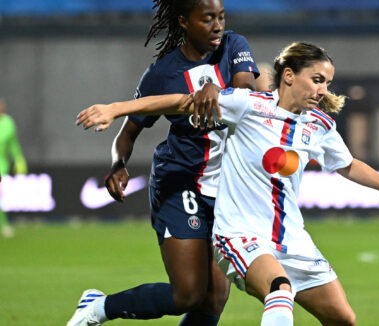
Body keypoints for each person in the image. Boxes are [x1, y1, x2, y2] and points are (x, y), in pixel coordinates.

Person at [76, 41, 379, 325]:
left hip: (292, 238)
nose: (323, 90)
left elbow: (349, 165)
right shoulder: (247, 106)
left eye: (327, 83)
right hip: (241, 234)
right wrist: (116, 108)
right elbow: (180, 102)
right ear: (289, 76)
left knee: (343, 318)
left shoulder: (320, 126)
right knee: (279, 292)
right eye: (317, 79)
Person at [67, 0, 261, 325]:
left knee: (214, 298)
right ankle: (98, 306)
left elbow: (245, 91)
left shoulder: (233, 45)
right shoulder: (163, 73)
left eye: (221, 17)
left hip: (227, 189)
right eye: (208, 18)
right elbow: (128, 133)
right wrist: (118, 164)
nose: (217, 25)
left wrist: (214, 86)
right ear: (184, 21)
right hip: (180, 183)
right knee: (187, 293)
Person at [0, 98, 28, 238]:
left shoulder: (8, 123)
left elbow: (13, 144)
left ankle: (3, 224)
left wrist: (19, 159)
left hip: (1, 163)